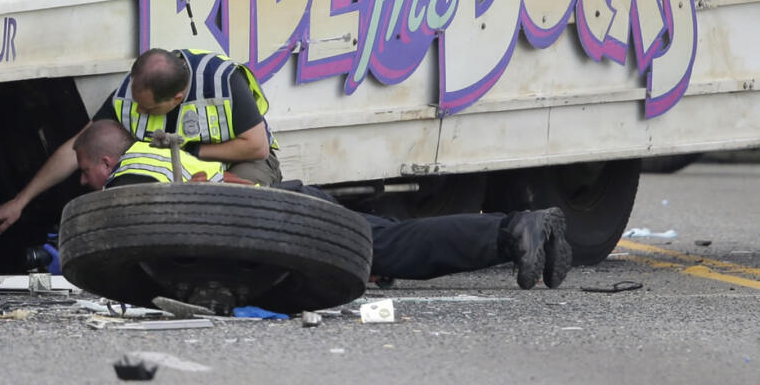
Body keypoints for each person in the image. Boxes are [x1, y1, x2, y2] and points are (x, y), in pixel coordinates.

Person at [72, 119, 572, 290]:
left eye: (84, 169)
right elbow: (222, 184)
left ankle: (515, 233)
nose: (83, 182)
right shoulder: (162, 155)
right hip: (288, 205)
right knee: (393, 244)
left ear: (107, 159)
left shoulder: (129, 178)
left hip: (285, 217)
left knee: (393, 251)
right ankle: (524, 232)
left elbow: (128, 232)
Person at [0, 47, 280, 235]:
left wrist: (193, 150)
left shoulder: (222, 79)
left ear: (176, 99)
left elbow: (256, 146)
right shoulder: (131, 94)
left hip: (240, 162)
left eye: (147, 109)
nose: (136, 111)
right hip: (179, 169)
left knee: (234, 209)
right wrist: (22, 200)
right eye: (136, 101)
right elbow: (77, 148)